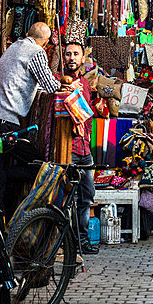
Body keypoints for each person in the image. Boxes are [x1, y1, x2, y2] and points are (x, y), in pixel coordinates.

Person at [0, 22, 68, 210]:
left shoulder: (14, 47)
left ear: (28, 33)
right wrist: (65, 84)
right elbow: (50, 85)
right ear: (45, 43)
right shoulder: (36, 52)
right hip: (5, 123)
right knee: (39, 166)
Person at [60, 40, 99, 255]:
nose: (72, 58)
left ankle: (82, 240)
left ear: (83, 58)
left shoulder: (84, 83)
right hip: (68, 148)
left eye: (76, 54)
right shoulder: (58, 80)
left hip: (85, 149)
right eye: (68, 54)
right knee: (65, 197)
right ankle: (66, 243)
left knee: (86, 196)